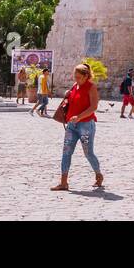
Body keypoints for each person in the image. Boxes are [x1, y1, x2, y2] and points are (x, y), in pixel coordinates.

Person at [52, 63, 103, 191]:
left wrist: (79, 117)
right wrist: (68, 95)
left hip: (86, 125)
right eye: (75, 76)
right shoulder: (75, 86)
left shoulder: (91, 87)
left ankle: (98, 174)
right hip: (71, 125)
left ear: (86, 76)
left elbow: (94, 107)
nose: (76, 79)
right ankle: (63, 182)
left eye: (79, 77)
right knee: (66, 152)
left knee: (88, 153)